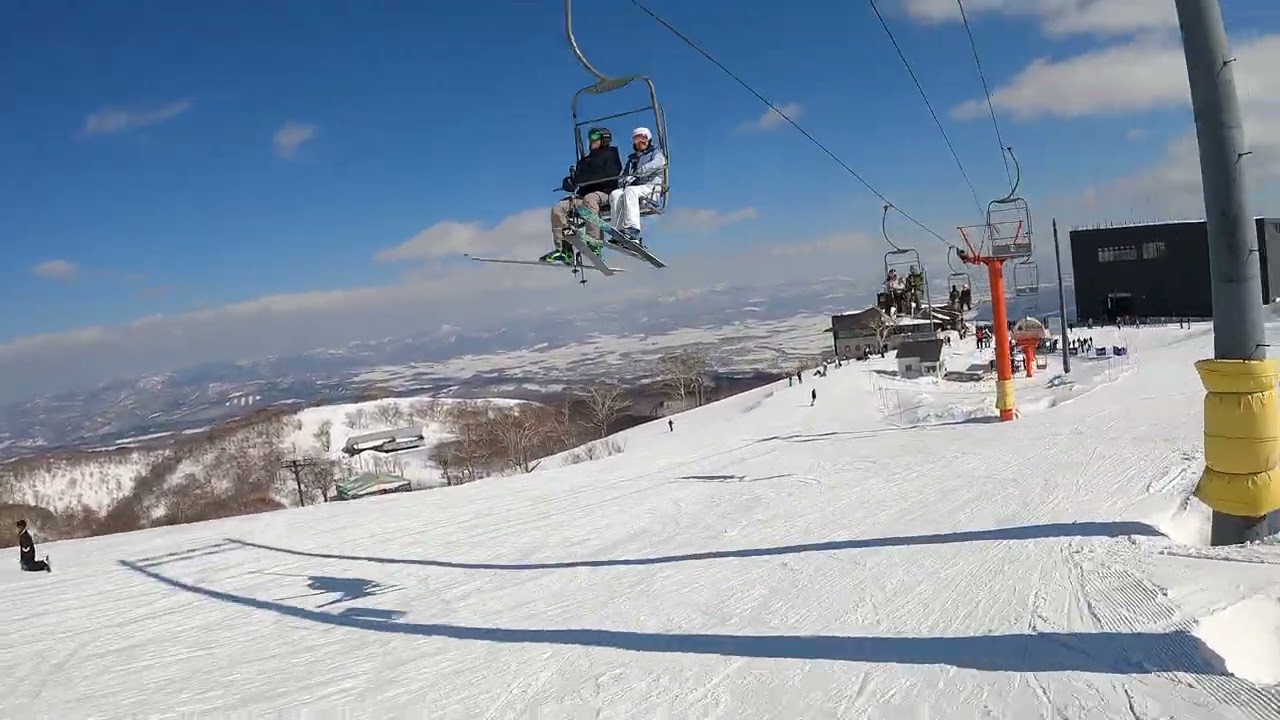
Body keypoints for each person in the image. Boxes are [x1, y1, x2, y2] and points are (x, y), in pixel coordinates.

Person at [543, 127, 623, 265]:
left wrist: (582, 179)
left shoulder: (611, 154)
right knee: (559, 208)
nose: (592, 140)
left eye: (595, 136)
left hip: (604, 193)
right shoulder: (585, 160)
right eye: (590, 137)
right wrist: (570, 182)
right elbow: (578, 178)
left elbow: (610, 174)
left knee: (590, 200)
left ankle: (594, 243)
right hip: (584, 195)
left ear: (604, 139)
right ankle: (564, 249)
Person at [607, 127, 666, 245]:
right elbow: (623, 175)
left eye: (643, 138)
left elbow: (660, 163)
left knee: (630, 191)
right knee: (615, 194)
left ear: (648, 140)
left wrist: (639, 172)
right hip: (635, 190)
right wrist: (624, 180)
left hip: (651, 189)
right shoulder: (632, 159)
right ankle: (617, 230)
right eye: (637, 138)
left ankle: (633, 230)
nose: (640, 142)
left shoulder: (655, 153)